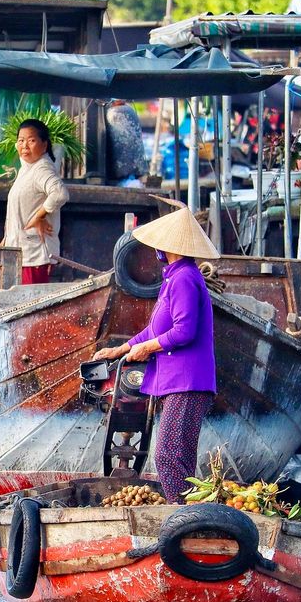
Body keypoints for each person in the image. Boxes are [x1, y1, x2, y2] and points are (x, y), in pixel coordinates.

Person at [92, 207, 218, 503]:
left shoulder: (186, 278)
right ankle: (189, 515)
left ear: (170, 247)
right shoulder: (172, 279)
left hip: (187, 382)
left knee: (168, 457)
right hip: (177, 382)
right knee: (179, 459)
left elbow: (184, 331)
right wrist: (121, 349)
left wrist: (147, 349)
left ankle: (183, 517)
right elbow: (153, 330)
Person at [2, 118, 69, 284]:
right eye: (21, 140)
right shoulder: (27, 168)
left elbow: (60, 193)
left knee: (31, 304)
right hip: (21, 253)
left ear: (44, 145)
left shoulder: (42, 169)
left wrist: (38, 216)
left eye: (31, 140)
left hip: (35, 255)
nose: (24, 145)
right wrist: (6, 239)